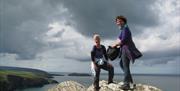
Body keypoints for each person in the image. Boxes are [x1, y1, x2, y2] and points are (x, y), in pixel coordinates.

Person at [112, 16, 142, 90]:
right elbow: (119, 38)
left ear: (123, 21)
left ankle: (126, 84)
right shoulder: (123, 30)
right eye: (117, 21)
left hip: (126, 50)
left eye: (119, 21)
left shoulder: (125, 29)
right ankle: (130, 82)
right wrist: (112, 45)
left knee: (125, 66)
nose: (117, 23)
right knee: (122, 64)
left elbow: (124, 40)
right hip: (124, 50)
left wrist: (116, 45)